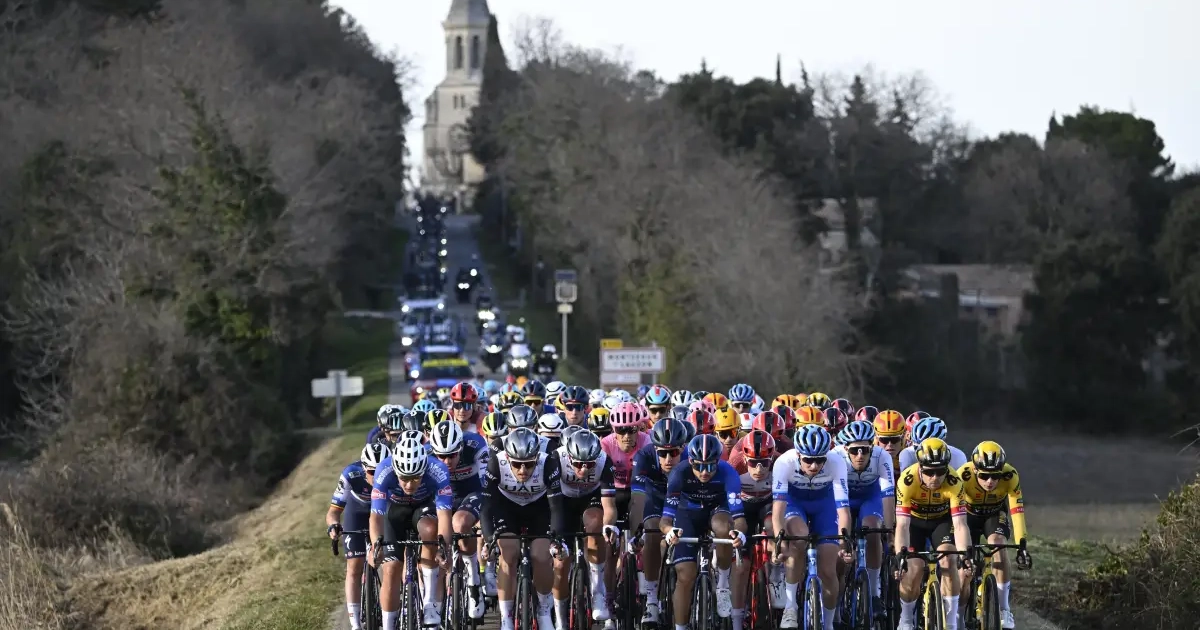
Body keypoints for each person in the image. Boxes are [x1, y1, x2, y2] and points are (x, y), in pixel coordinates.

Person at [481, 427, 567, 630]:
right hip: (506, 508)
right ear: (507, 459)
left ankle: (544, 612)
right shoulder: (496, 463)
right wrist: (488, 540)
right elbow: (486, 507)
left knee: (541, 555)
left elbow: (557, 507)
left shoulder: (548, 463)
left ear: (537, 458)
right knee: (508, 553)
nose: (522, 470)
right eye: (516, 464)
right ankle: (506, 618)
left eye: (529, 464)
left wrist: (557, 539)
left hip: (539, 509)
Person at [369, 431, 454, 629]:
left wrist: (445, 548)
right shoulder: (384, 470)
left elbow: (444, 516)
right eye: (404, 478)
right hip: (394, 511)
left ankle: (430, 602)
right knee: (391, 569)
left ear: (424, 470)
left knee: (431, 531)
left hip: (423, 508)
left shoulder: (438, 470)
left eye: (415, 478)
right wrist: (375, 546)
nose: (409, 485)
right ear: (396, 471)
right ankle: (388, 624)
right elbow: (376, 516)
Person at [772, 424, 852, 630]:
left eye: (820, 460)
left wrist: (844, 544)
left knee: (828, 569)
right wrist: (780, 543)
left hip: (825, 505)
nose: (814, 466)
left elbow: (843, 510)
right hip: (794, 503)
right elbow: (778, 510)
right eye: (808, 460)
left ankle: (828, 623)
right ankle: (790, 607)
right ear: (798, 455)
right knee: (798, 538)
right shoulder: (784, 463)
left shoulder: (837, 462)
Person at [662, 434, 746, 625]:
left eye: (710, 466)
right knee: (685, 575)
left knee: (724, 528)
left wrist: (739, 533)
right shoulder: (679, 473)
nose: (705, 472)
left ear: (718, 462)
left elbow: (739, 518)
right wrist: (669, 530)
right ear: (690, 461)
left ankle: (723, 584)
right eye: (699, 466)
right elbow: (665, 519)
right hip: (687, 513)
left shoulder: (728, 472)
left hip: (717, 509)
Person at [893, 437, 973, 630]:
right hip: (914, 523)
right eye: (929, 472)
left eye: (940, 472)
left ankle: (951, 622)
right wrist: (900, 556)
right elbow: (902, 525)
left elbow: (960, 525)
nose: (935, 478)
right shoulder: (907, 481)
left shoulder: (954, 481)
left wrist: (965, 555)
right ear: (920, 467)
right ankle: (906, 619)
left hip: (941, 522)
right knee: (913, 568)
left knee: (950, 561)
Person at [956, 441, 1032, 630]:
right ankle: (958, 615)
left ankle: (1004, 608)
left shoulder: (1010, 475)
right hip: (967, 517)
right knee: (964, 571)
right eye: (984, 475)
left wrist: (1022, 543)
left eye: (995, 475)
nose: (990, 481)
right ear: (975, 470)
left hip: (994, 514)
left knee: (998, 544)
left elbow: (1017, 510)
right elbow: (955, 514)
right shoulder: (962, 475)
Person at [551, 430, 618, 627]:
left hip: (591, 498)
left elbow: (609, 507)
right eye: (578, 463)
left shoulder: (604, 461)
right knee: (561, 564)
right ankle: (560, 617)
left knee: (597, 523)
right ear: (568, 456)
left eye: (589, 464)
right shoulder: (556, 459)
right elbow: (551, 505)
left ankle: (598, 591)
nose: (583, 469)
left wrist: (608, 526)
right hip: (562, 502)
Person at [628, 418, 690, 625]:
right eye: (662, 453)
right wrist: (638, 530)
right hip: (654, 499)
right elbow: (637, 499)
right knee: (652, 533)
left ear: (683, 448)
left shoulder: (691, 457)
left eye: (674, 452)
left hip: (682, 498)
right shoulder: (643, 457)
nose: (668, 459)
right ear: (655, 449)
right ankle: (652, 600)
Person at [428, 421, 490, 618]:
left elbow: (487, 485)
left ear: (461, 448)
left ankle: (474, 580)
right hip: (442, 497)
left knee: (460, 523)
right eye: (442, 456)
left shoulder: (475, 445)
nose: (447, 461)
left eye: (452, 455)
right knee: (432, 533)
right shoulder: (426, 454)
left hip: (472, 493)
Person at [328, 442, 390, 630]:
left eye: (381, 470)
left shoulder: (395, 473)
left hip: (383, 513)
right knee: (354, 566)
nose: (377, 476)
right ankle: (355, 624)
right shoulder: (350, 474)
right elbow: (333, 511)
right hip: (357, 513)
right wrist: (333, 526)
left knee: (392, 563)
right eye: (372, 472)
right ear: (363, 469)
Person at [833, 420, 895, 608]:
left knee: (873, 529)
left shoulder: (882, 456)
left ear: (872, 448)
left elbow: (888, 496)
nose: (860, 455)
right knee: (839, 542)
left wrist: (889, 532)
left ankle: (874, 592)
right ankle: (837, 594)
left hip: (870, 498)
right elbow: (838, 501)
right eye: (854, 451)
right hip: (843, 498)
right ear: (845, 449)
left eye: (865, 450)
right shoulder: (835, 457)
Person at [731, 430, 785, 621]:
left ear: (772, 458)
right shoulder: (735, 464)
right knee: (741, 561)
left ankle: (776, 570)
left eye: (765, 462)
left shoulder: (780, 463)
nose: (759, 468)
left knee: (771, 526)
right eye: (753, 463)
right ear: (745, 459)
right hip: (743, 506)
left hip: (768, 503)